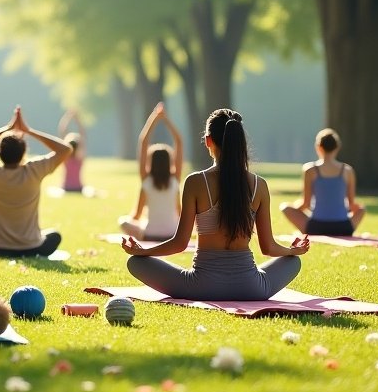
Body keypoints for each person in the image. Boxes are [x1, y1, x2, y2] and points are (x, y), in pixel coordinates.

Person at [122, 108, 309, 300]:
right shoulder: (259, 185)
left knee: (135, 262)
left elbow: (180, 243)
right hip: (252, 288)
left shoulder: (195, 182)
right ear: (239, 143)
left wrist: (143, 251)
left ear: (209, 141)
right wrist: (292, 251)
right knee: (293, 262)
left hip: (200, 287)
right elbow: (268, 247)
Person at [0, 106, 72, 257]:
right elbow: (66, 149)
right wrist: (28, 130)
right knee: (54, 235)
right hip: (32, 248)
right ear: (24, 152)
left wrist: (8, 128)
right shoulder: (34, 170)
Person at [282, 128, 365, 236]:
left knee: (285, 207)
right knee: (362, 209)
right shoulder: (347, 170)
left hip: (316, 227)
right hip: (344, 227)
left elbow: (306, 204)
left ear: (318, 147)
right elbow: (352, 204)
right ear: (337, 147)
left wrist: (294, 208)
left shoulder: (310, 170)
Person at [119, 102, 183, 240]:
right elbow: (179, 141)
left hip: (149, 235)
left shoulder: (146, 179)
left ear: (151, 162)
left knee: (123, 222)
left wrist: (154, 118)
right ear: (169, 162)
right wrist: (165, 119)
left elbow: (143, 141)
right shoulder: (175, 179)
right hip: (173, 235)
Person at [57, 109, 88, 193]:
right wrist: (77, 119)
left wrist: (68, 116)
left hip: (66, 188)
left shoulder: (65, 157)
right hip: (78, 189)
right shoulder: (80, 158)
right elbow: (83, 133)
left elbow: (62, 130)